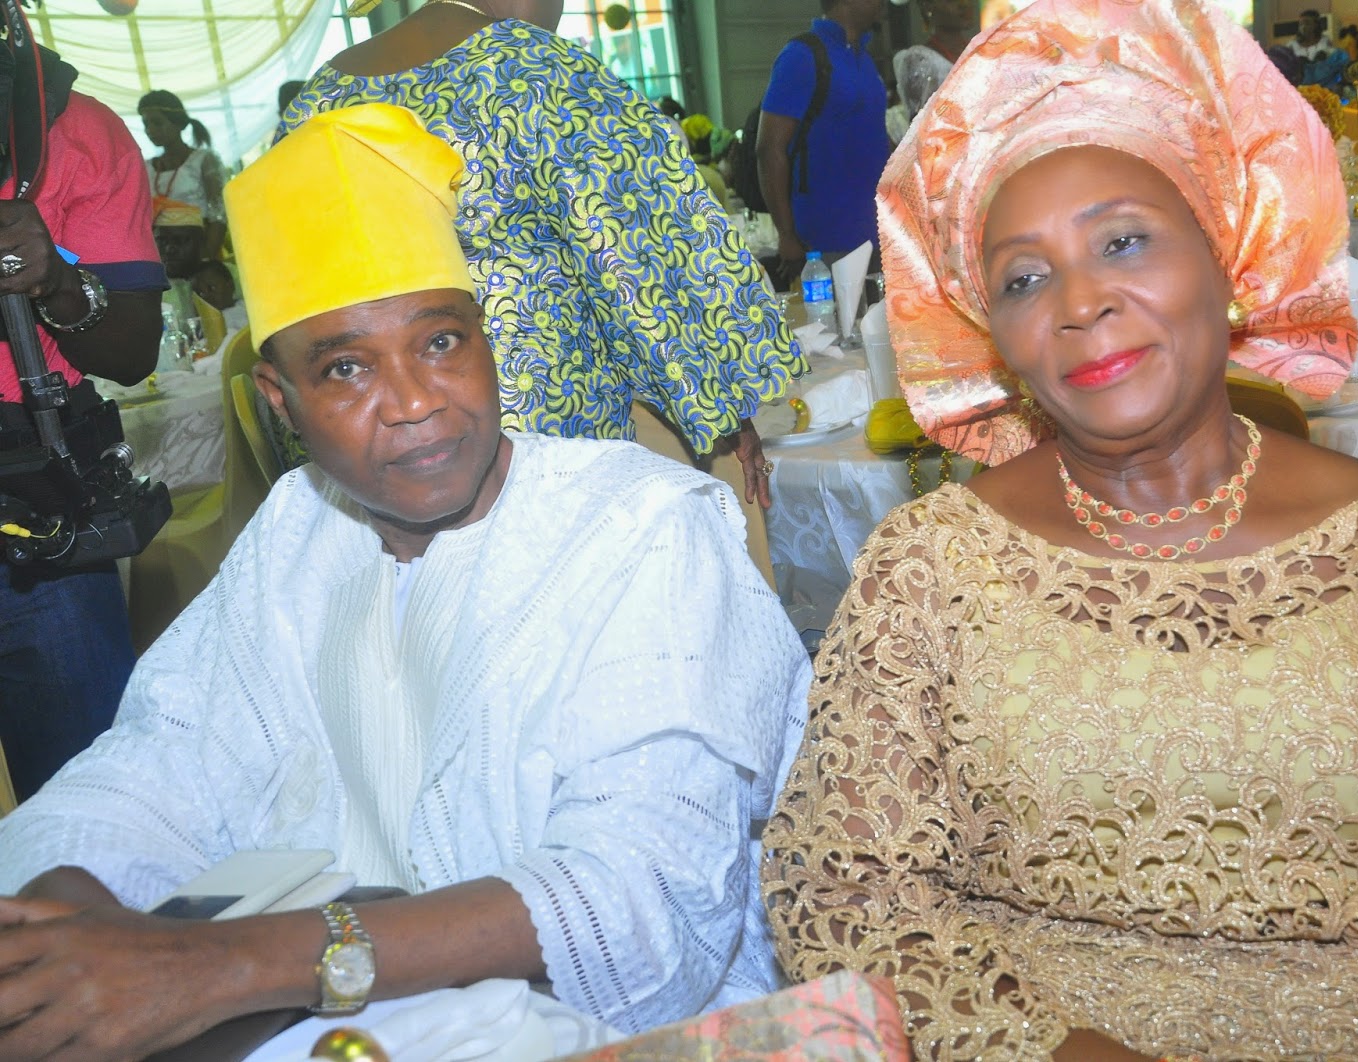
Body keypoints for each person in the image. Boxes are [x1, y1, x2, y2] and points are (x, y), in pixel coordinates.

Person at [762, 1, 1358, 1058]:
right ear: (994, 333)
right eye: (1024, 278)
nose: (1080, 302)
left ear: (1227, 252)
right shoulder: (930, 568)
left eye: (1123, 240)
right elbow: (845, 891)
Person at [0, 103, 810, 1059]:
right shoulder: (298, 531)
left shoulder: (645, 528)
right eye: (346, 368)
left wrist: (225, 966)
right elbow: (156, 764)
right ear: (280, 401)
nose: (417, 402)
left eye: (440, 343)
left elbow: (640, 902)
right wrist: (66, 903)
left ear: (486, 339)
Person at [284, 0, 801, 515]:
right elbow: (641, 263)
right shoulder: (539, 70)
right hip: (544, 418)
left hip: (377, 436)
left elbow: (295, 293)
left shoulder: (318, 100)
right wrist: (721, 404)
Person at [0, 66, 165, 803]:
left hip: (34, 515)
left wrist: (56, 282)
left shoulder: (71, 129)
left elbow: (131, 353)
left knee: (91, 807)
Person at [757, 0, 892, 286]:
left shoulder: (864, 58)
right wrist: (786, 234)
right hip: (826, 242)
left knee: (877, 316)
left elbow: (873, 136)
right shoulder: (801, 57)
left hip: (878, 233)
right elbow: (769, 149)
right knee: (839, 316)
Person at [138, 89, 227, 261]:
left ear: (177, 123)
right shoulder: (146, 167)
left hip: (198, 249)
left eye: (157, 123)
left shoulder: (204, 160)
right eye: (146, 124)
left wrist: (206, 258)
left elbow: (219, 214)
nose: (150, 130)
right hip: (162, 254)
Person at [893, 0, 979, 121]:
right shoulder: (921, 61)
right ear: (928, 6)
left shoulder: (981, 49)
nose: (964, 4)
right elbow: (920, 125)